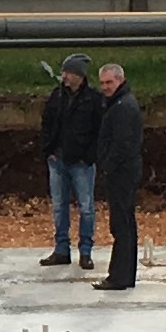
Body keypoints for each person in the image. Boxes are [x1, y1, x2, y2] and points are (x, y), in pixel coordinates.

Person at [38, 54, 103, 267]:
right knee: (59, 207)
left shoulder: (93, 100)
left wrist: (89, 156)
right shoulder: (57, 96)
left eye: (68, 73)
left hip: (82, 163)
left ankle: (86, 251)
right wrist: (49, 150)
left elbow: (99, 132)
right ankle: (61, 249)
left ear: (79, 76)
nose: (64, 76)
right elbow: (47, 124)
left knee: (86, 207)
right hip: (57, 160)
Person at [91, 60, 146, 289]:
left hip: (122, 173)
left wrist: (107, 165)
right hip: (124, 171)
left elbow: (122, 144)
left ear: (120, 80)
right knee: (125, 224)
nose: (105, 87)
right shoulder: (119, 103)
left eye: (109, 82)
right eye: (102, 83)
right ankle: (124, 275)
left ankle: (119, 277)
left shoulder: (122, 107)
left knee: (122, 225)